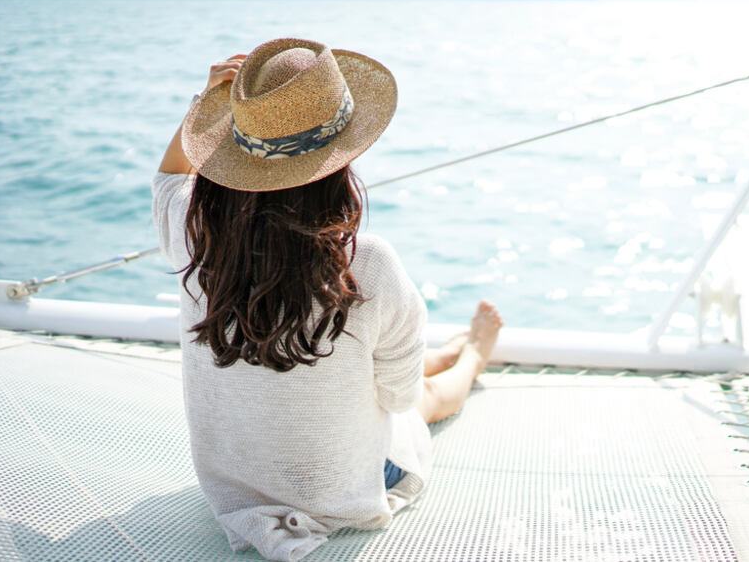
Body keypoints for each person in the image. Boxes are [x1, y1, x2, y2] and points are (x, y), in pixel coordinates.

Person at [152, 37, 502, 562]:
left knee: (365, 370)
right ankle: (472, 355)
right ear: (341, 161)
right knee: (420, 404)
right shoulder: (369, 265)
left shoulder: (194, 235)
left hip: (235, 490)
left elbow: (169, 179)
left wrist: (202, 106)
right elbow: (400, 398)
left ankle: (448, 354)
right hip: (343, 492)